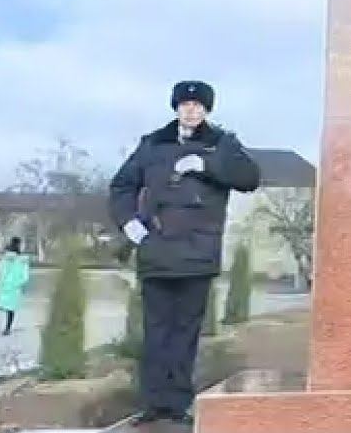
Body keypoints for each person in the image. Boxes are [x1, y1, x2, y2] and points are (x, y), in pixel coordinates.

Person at [108, 80, 261, 427]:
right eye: (185, 105)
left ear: (207, 110)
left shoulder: (221, 144)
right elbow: (122, 186)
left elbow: (250, 177)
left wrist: (206, 166)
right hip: (157, 251)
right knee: (156, 332)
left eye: (198, 105)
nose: (191, 110)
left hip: (197, 252)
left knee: (185, 333)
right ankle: (153, 405)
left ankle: (177, 404)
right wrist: (129, 223)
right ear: (176, 108)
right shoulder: (153, 144)